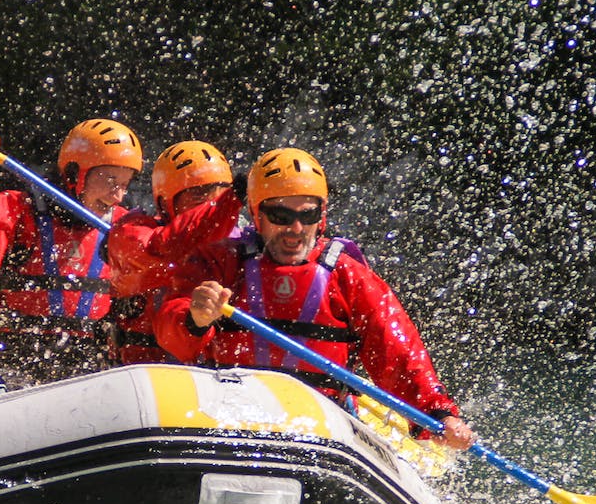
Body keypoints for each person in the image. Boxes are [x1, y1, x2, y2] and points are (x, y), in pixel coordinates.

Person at [156, 148, 476, 448]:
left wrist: (438, 413)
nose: (295, 228)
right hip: (229, 417)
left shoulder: (349, 276)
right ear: (257, 214)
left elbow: (397, 350)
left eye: (307, 215)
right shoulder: (220, 263)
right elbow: (172, 335)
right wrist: (195, 318)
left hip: (320, 425)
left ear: (321, 216)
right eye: (280, 214)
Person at [0, 120, 144, 381]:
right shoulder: (20, 210)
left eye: (125, 185)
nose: (117, 196)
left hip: (93, 368)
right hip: (18, 361)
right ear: (74, 175)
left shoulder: (125, 228)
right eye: (110, 180)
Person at [100, 140, 244, 366]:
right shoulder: (130, 234)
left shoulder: (240, 245)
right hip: (138, 376)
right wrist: (231, 199)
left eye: (221, 194)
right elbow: (167, 244)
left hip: (209, 380)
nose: (212, 203)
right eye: (200, 194)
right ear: (165, 203)